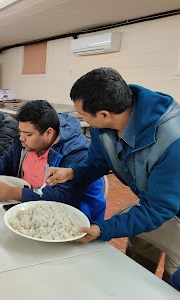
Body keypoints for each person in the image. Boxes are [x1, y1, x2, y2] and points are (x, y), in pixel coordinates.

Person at [44, 67, 180, 282]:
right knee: (136, 269)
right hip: (149, 202)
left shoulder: (172, 141)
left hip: (169, 206)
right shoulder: (106, 124)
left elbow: (159, 209)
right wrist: (73, 172)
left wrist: (102, 228)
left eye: (83, 115)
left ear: (104, 115)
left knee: (172, 279)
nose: (81, 119)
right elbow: (98, 162)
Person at [0, 100, 105, 222]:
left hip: (68, 221)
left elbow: (65, 197)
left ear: (48, 133)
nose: (21, 138)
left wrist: (12, 193)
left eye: (28, 134)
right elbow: (8, 160)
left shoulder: (75, 152)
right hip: (27, 206)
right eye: (20, 132)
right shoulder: (25, 141)